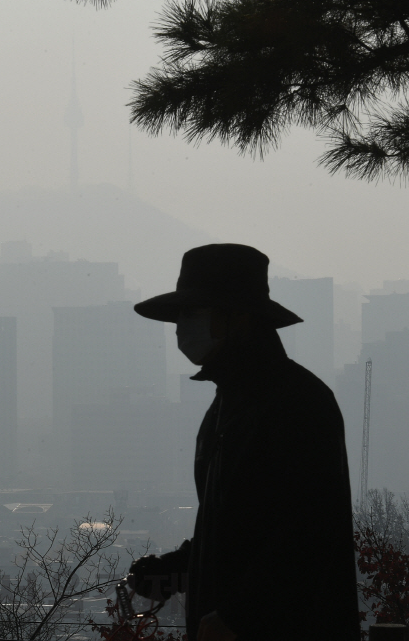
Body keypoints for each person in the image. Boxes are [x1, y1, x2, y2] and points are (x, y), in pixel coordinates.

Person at [127, 244, 360, 641]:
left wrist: (238, 616)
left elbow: (309, 532)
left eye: (193, 312)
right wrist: (177, 570)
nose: (181, 327)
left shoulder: (297, 401)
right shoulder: (226, 406)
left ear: (239, 318)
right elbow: (236, 529)